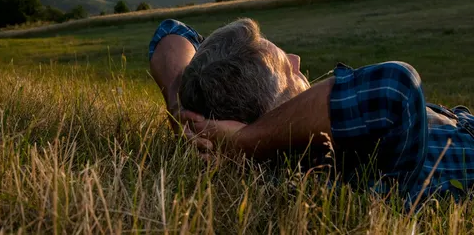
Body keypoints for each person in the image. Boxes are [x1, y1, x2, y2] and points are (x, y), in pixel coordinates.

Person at [149, 18, 474, 208]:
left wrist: (184, 113)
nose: (296, 59)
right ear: (269, 114)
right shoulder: (337, 163)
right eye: (287, 71)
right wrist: (243, 141)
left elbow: (172, 31)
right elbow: (394, 86)